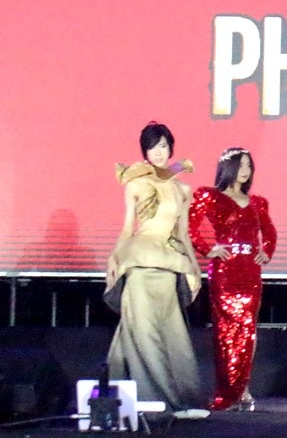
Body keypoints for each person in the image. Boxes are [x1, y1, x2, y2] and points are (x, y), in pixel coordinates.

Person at [105, 122, 208, 419]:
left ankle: (176, 398)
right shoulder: (135, 184)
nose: (158, 152)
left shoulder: (182, 189)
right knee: (144, 333)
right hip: (139, 264)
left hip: (168, 265)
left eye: (163, 146)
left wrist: (194, 268)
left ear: (170, 148)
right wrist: (113, 257)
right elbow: (128, 228)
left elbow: (183, 234)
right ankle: (161, 403)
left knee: (171, 333)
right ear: (145, 153)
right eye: (152, 147)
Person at [188, 147, 277, 411]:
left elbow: (269, 232)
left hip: (250, 272)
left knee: (247, 330)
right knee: (226, 331)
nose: (245, 170)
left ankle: (242, 389)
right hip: (225, 272)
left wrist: (266, 251)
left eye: (249, 165)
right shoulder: (211, 197)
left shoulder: (257, 202)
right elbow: (190, 226)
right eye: (240, 165)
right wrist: (208, 249)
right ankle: (227, 391)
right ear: (228, 167)